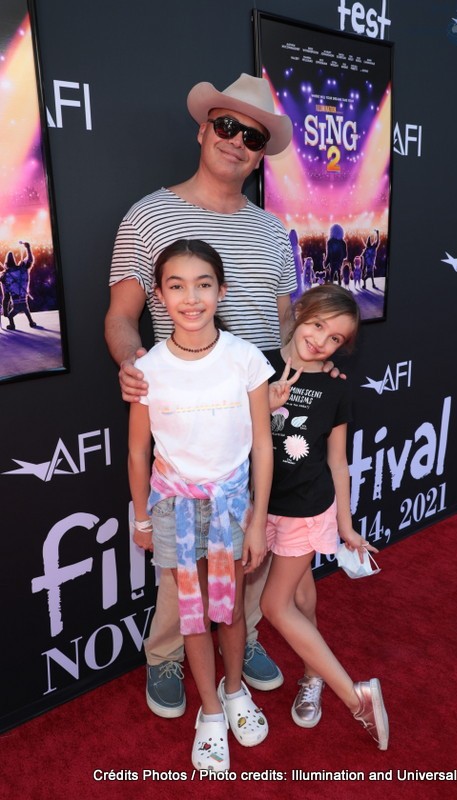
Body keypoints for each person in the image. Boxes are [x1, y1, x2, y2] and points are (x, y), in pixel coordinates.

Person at [105, 73, 295, 718]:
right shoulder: (150, 215)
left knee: (250, 537)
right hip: (184, 399)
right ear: (204, 128)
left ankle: (243, 646)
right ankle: (167, 655)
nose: (238, 141)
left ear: (262, 152)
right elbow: (122, 314)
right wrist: (133, 364)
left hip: (259, 399)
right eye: (227, 126)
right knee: (180, 547)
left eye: (253, 135)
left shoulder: (274, 231)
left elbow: (286, 321)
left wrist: (302, 380)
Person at [128, 238, 273, 771]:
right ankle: (209, 712)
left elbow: (262, 444)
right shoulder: (149, 368)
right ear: (159, 296)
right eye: (176, 285)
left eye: (203, 284)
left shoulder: (245, 359)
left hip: (234, 507)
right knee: (192, 615)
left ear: (222, 290)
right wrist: (142, 516)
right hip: (173, 509)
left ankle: (235, 692)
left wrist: (257, 520)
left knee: (230, 609)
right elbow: (138, 449)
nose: (191, 298)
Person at [261, 284, 389, 751]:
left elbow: (338, 462)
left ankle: (355, 697)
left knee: (275, 607)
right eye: (317, 325)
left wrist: (346, 524)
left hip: (304, 510)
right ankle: (311, 671)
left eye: (335, 339)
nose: (321, 341)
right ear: (299, 313)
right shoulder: (256, 364)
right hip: (259, 506)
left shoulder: (336, 389)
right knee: (299, 593)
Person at [1, 242, 37, 330]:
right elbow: (30, 260)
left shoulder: (4, 276)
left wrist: (5, 310)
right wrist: (28, 248)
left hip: (16, 303)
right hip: (24, 300)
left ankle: (12, 325)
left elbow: (6, 296)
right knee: (26, 310)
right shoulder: (22, 269)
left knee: (10, 316)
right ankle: (31, 322)